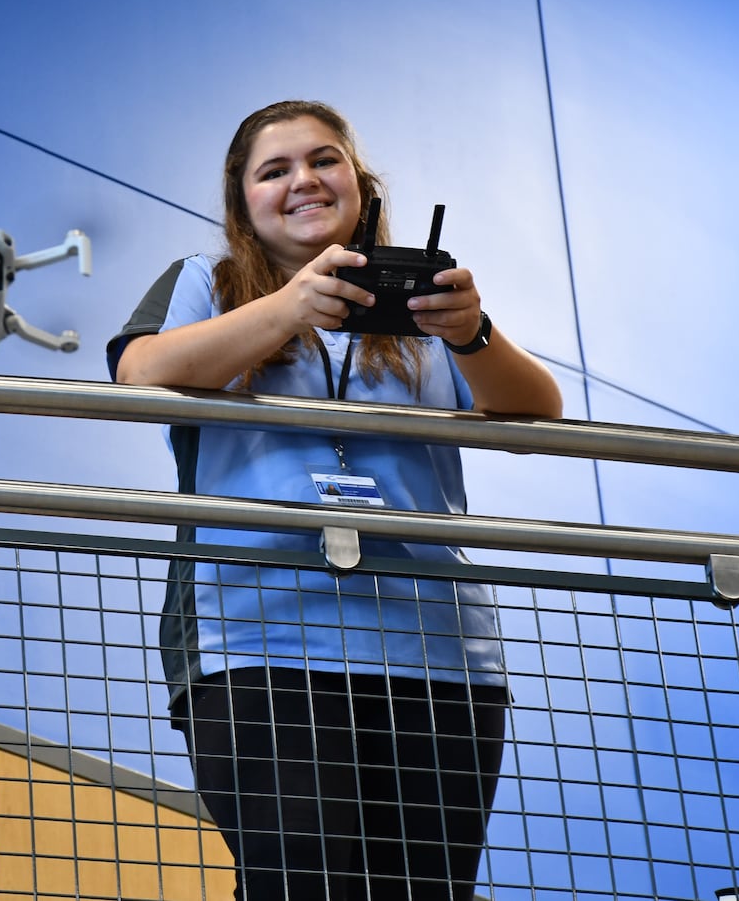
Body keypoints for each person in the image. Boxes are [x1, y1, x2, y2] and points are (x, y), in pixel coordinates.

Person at [107, 100, 562, 900]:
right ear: (241, 202)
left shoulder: (423, 305)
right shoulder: (206, 284)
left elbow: (536, 417)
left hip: (438, 652)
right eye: (273, 170)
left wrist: (472, 332)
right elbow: (142, 376)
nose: (303, 180)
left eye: (324, 160)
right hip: (256, 641)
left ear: (360, 181)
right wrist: (288, 307)